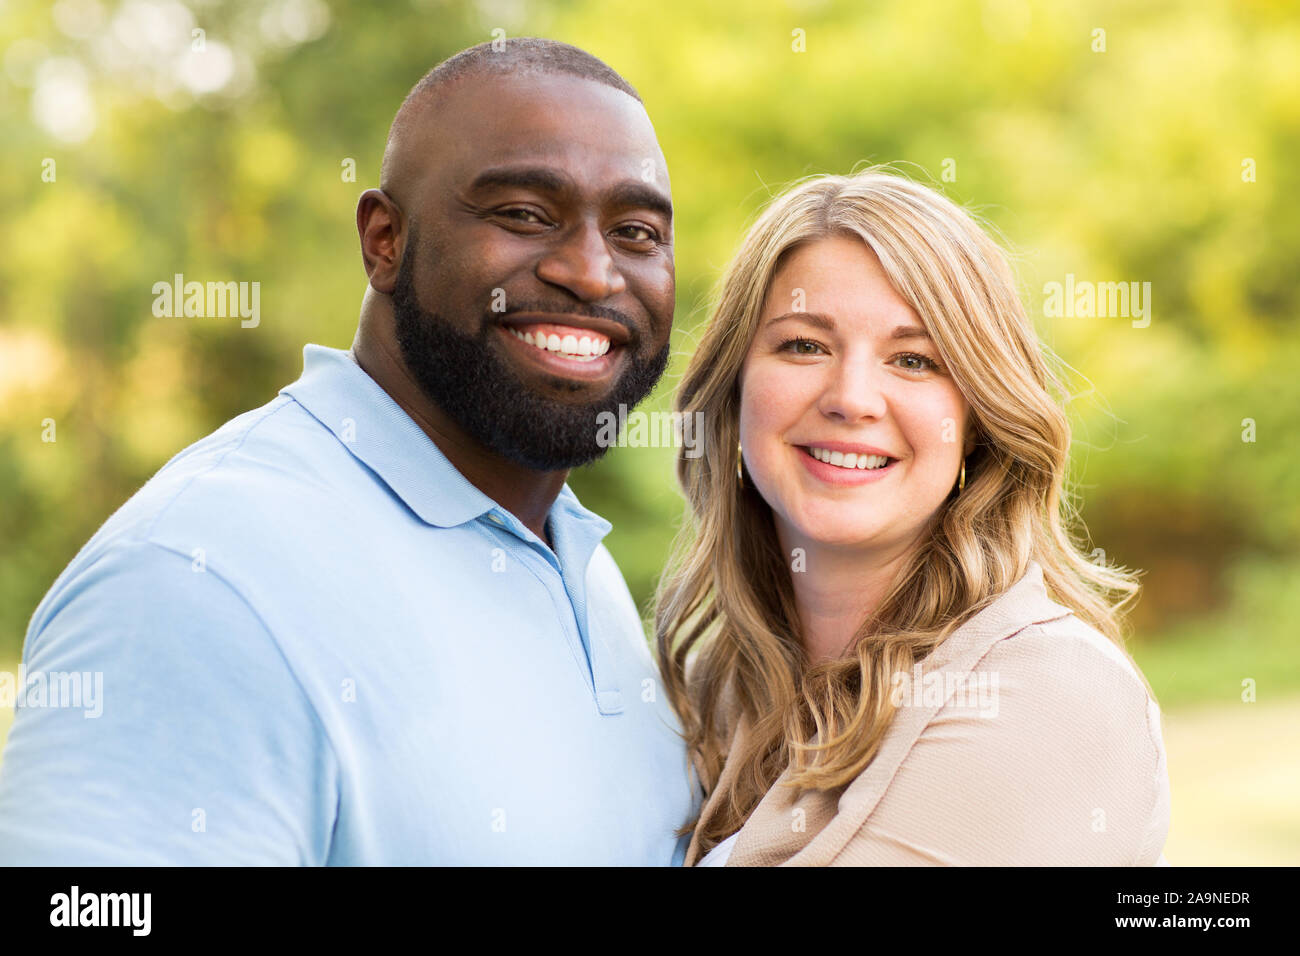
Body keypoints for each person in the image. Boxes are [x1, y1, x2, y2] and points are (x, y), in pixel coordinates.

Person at [0, 38, 695, 865]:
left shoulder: (582, 565)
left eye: (637, 231)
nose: (591, 271)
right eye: (523, 214)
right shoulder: (197, 576)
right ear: (384, 240)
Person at [656, 168, 1171, 866]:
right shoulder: (716, 691)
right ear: (734, 388)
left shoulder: (1046, 690)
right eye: (804, 345)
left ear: (979, 418)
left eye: (914, 359)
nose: (852, 398)